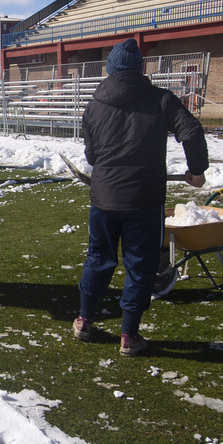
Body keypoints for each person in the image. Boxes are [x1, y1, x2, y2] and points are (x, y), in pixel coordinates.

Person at [74, 38, 208, 357]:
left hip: (104, 197)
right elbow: (190, 131)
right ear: (138, 69)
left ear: (110, 69)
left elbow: (91, 155)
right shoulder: (161, 99)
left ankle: (84, 320)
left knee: (98, 258)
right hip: (144, 200)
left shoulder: (94, 104)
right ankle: (128, 335)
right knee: (139, 265)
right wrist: (197, 170)